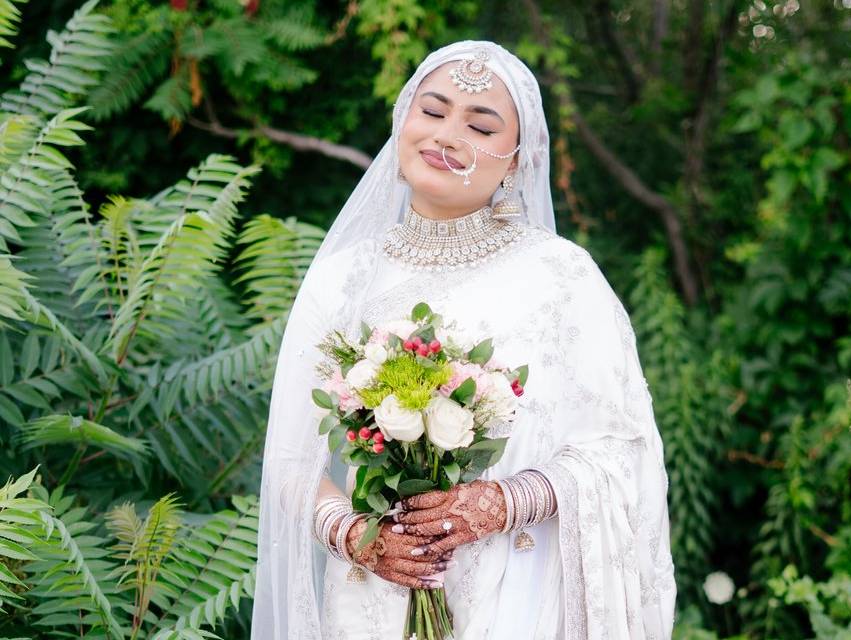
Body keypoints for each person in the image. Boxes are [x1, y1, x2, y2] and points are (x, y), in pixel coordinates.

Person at [251, 40, 676, 639]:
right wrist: (358, 537)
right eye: (432, 111)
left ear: (517, 161)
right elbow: (290, 463)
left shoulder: (562, 276)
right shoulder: (343, 278)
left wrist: (503, 503)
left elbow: (622, 451)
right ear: (402, 124)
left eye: (479, 125)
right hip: (376, 596)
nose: (446, 135)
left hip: (519, 591)